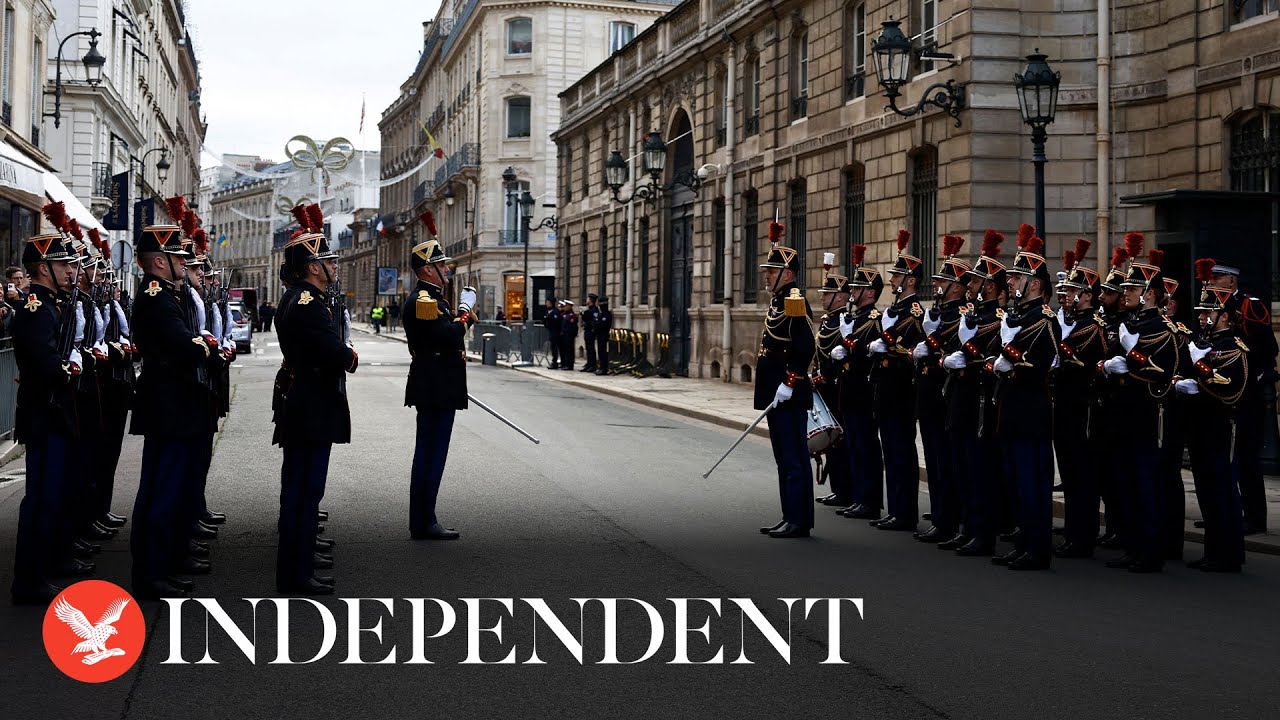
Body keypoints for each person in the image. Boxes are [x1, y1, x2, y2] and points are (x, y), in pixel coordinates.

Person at [273, 203, 357, 595]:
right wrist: (350, 354)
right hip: (311, 404)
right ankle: (296, 574)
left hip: (305, 401)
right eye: (327, 261)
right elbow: (338, 353)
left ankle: (297, 568)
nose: (334, 267)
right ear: (312, 268)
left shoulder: (300, 299)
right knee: (305, 492)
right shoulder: (308, 304)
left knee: (301, 491)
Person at [129, 217, 213, 599]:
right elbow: (183, 345)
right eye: (176, 255)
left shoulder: (166, 294)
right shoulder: (156, 297)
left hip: (173, 403)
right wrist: (203, 344)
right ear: (159, 261)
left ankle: (163, 565)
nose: (183, 261)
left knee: (169, 490)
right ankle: (151, 574)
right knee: (161, 492)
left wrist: (199, 342)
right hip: (168, 404)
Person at [9, 222, 79, 604]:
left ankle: (38, 572)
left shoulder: (51, 307)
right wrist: (67, 369)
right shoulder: (37, 310)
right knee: (41, 498)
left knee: (51, 496)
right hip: (45, 413)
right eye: (62, 264)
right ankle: (29, 580)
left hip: (52, 412)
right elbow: (46, 364)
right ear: (41, 270)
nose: (71, 270)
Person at [1100, 239, 1179, 573]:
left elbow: (1167, 374)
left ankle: (1150, 550)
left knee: (1146, 484)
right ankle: (1133, 545)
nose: (1126, 293)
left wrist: (1133, 358)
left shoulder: (1162, 330)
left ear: (1149, 294)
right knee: (1126, 482)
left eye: (1132, 288)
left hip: (1146, 414)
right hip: (1121, 412)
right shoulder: (1127, 325)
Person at [991, 226, 1061, 571]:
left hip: (1031, 410)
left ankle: (1037, 548)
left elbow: (1037, 366)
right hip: (1012, 409)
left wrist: (1010, 360)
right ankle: (1022, 542)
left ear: (1035, 283)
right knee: (1017, 481)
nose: (1011, 283)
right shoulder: (1017, 317)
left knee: (1033, 482)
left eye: (1018, 278)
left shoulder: (1044, 320)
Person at [402, 210, 474, 541]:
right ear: (427, 269)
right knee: (431, 453)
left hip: (437, 383)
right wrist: (465, 314)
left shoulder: (433, 297)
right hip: (435, 386)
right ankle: (423, 521)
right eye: (442, 266)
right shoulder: (424, 300)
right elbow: (447, 336)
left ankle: (425, 516)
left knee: (433, 452)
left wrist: (458, 313)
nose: (447, 269)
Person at [942, 230, 1010, 557]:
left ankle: (983, 532)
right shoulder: (971, 315)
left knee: (979, 468)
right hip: (960, 397)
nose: (970, 286)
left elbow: (986, 356)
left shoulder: (996, 319)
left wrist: (965, 354)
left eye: (976, 282)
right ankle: (968, 527)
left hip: (979, 401)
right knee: (963, 467)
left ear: (990, 287)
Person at [1181, 260, 1248, 572]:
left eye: (1209, 313)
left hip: (1220, 427)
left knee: (1222, 490)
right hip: (1200, 427)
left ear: (1224, 316)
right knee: (1207, 491)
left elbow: (1231, 390)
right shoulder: (1203, 344)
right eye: (1202, 313)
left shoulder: (1233, 348)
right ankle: (1213, 551)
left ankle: (1229, 554)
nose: (1204, 318)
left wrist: (1201, 376)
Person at [755, 221, 815, 539]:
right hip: (778, 394)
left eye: (772, 270)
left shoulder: (793, 300)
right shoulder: (778, 302)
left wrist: (789, 382)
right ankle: (789, 514)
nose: (766, 275)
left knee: (793, 458)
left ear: (787, 274)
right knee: (783, 457)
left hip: (789, 393)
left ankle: (799, 519)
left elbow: (805, 346)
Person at [1209, 263, 1277, 535]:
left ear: (1231, 281)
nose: (1213, 281)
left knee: (1247, 457)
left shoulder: (1250, 306)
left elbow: (1267, 348)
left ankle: (1255, 517)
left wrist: (1256, 377)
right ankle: (1228, 511)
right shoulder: (1214, 307)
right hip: (1225, 390)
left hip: (1249, 390)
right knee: (1227, 456)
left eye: (1218, 277)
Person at [911, 235, 971, 545]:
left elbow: (954, 352)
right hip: (928, 394)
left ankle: (949, 519)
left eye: (943, 282)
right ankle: (940, 516)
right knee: (933, 460)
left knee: (945, 462)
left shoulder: (961, 316)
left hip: (944, 396)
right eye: (936, 281)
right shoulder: (937, 313)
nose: (937, 286)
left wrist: (931, 344)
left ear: (958, 288)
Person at [1052, 240, 1108, 559]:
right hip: (1066, 405)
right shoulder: (1075, 324)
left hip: (1081, 408)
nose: (1066, 296)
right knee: (1071, 473)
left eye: (1072, 292)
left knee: (1080, 474)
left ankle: (1082, 536)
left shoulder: (1090, 327)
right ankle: (1075, 531)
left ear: (1087, 295)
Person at [868, 230, 925, 532]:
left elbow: (907, 350)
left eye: (897, 276)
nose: (891, 281)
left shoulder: (914, 311)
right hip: (886, 390)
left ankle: (905, 512)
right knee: (890, 450)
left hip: (901, 391)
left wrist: (885, 345)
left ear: (911, 280)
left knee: (901, 452)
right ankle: (896, 509)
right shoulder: (894, 310)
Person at [835, 245, 885, 521]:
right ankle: (858, 496)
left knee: (866, 446)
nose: (851, 293)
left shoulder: (873, 319)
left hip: (864, 391)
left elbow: (870, 353)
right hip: (849, 390)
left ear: (870, 292)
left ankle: (870, 499)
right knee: (854, 444)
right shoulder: (854, 318)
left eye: (857, 289)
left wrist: (850, 345)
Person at [812, 254, 854, 509]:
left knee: (840, 441)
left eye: (827, 294)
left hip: (836, 387)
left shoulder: (843, 322)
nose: (822, 297)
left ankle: (846, 489)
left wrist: (822, 376)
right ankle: (837, 489)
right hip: (824, 386)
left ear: (840, 297)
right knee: (831, 443)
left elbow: (837, 357)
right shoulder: (828, 321)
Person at [581, 293, 601, 372]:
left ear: (591, 300)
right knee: (588, 348)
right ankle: (589, 364)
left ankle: (592, 365)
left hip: (591, 331)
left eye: (587, 299)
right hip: (587, 331)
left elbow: (593, 321)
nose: (586, 300)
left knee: (591, 349)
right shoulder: (588, 310)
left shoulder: (594, 310)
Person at [594, 296, 614, 375]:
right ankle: (601, 367)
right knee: (600, 352)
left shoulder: (606, 314)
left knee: (603, 352)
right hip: (599, 335)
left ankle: (604, 368)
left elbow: (603, 325)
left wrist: (597, 325)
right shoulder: (601, 313)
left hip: (604, 335)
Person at [559, 300, 578, 370]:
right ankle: (565, 363)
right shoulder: (565, 314)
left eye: (567, 306)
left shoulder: (572, 315)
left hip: (569, 335)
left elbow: (573, 327)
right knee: (565, 350)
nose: (565, 307)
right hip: (564, 335)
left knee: (569, 350)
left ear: (570, 306)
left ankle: (570, 365)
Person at [543, 298, 561, 368]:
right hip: (551, 331)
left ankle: (555, 362)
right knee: (552, 347)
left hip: (555, 332)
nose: (546, 304)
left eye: (547, 302)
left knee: (555, 348)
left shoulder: (555, 312)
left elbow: (556, 323)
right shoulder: (547, 312)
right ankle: (554, 361)